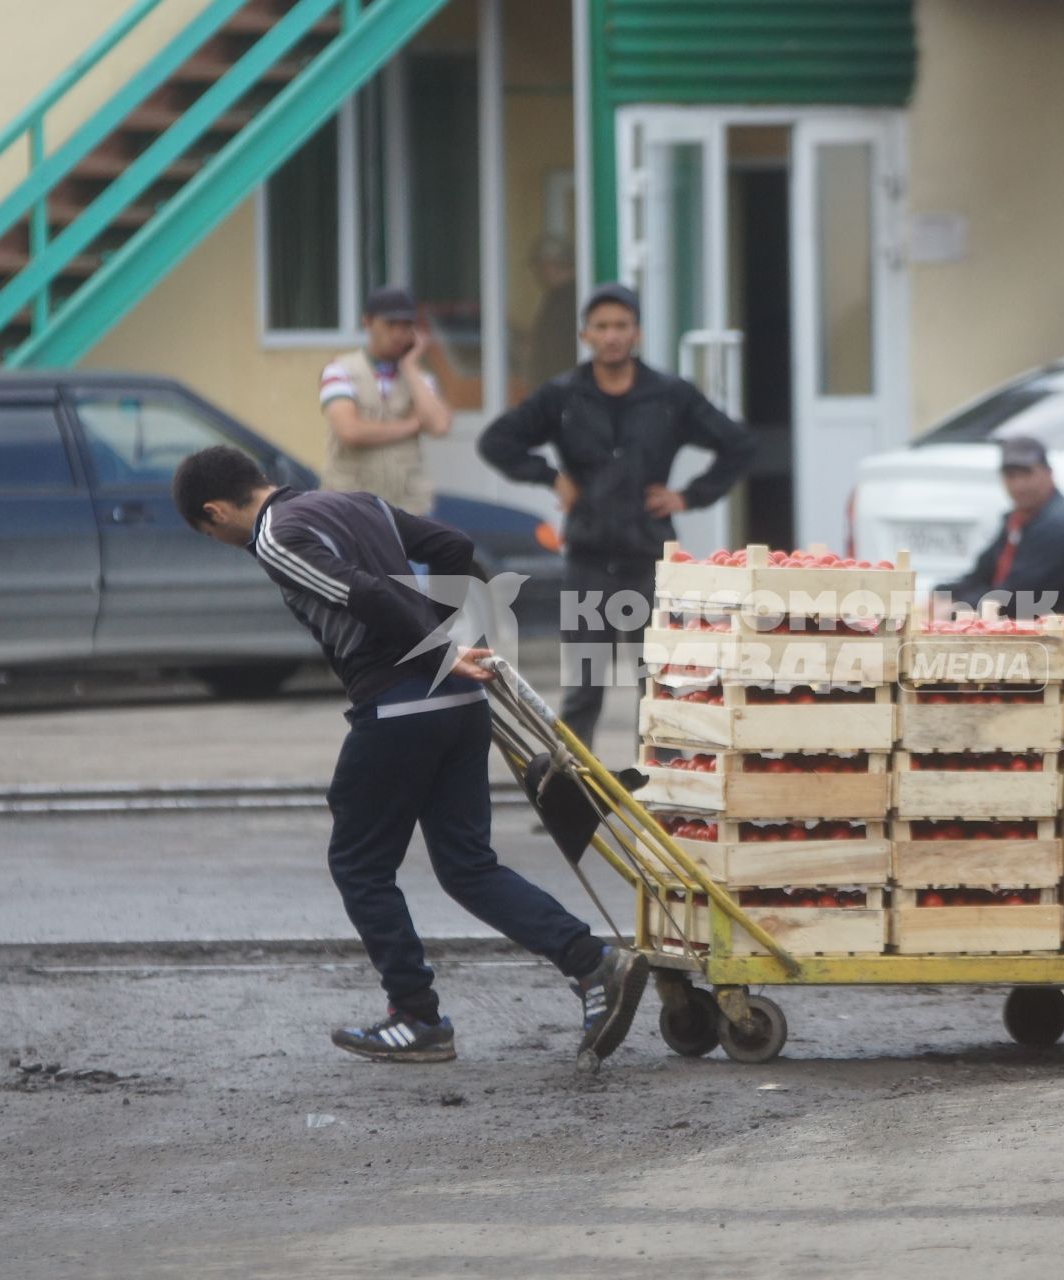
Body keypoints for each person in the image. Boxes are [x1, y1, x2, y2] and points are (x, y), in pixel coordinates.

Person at [170, 445, 648, 1067]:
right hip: (458, 707)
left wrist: (438, 654)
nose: (219, 540)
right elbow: (453, 547)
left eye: (210, 532)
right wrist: (449, 641)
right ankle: (595, 965)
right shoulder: (353, 501)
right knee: (467, 866)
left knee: (359, 863)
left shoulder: (275, 537)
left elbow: (364, 594)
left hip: (400, 708)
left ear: (214, 512)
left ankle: (416, 1017)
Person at [477, 282, 754, 747]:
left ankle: (661, 796)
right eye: (602, 326)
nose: (612, 336)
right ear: (586, 334)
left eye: (621, 326)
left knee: (658, 686)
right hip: (588, 561)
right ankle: (573, 798)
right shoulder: (563, 396)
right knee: (583, 691)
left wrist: (688, 496)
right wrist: (550, 477)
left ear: (637, 333)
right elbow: (496, 441)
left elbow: (739, 445)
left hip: (650, 561)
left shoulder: (669, 395)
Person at [319, 285, 453, 516]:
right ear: (368, 322)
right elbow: (350, 431)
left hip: (407, 508)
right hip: (349, 508)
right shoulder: (340, 370)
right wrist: (410, 425)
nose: (399, 334)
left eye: (407, 326)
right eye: (391, 324)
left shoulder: (419, 379)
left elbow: (439, 425)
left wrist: (410, 367)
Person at [939, 437, 1064, 617]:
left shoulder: (1060, 526)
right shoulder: (1018, 519)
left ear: (1048, 473)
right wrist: (942, 594)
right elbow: (982, 574)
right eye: (1011, 476)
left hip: (1063, 635)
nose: (1019, 485)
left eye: (1027, 474)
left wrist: (955, 609)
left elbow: (1016, 598)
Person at [523, 234, 579, 388]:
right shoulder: (558, 296)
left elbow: (555, 344)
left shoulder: (567, 298)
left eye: (539, 268)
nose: (537, 275)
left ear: (550, 266)